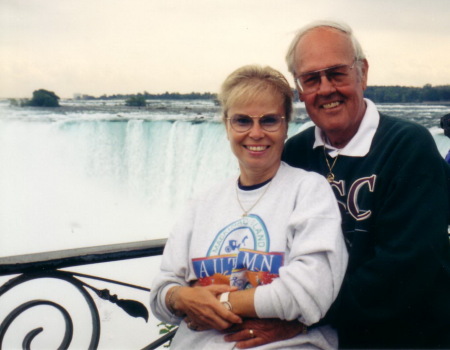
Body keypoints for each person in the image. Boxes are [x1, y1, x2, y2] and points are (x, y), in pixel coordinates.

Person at [226, 20, 450, 350]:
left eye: (337, 73)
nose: (326, 88)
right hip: (324, 337)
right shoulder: (295, 153)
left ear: (363, 73)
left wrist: (300, 318)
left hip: (406, 336)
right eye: (312, 79)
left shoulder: (408, 147)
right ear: (299, 89)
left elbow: (406, 271)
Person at [150, 65, 348, 349]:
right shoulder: (201, 204)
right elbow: (161, 294)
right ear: (226, 125)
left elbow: (309, 291)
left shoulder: (308, 191)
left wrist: (217, 304)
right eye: (242, 121)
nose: (256, 133)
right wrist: (180, 298)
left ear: (286, 126)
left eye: (269, 120)